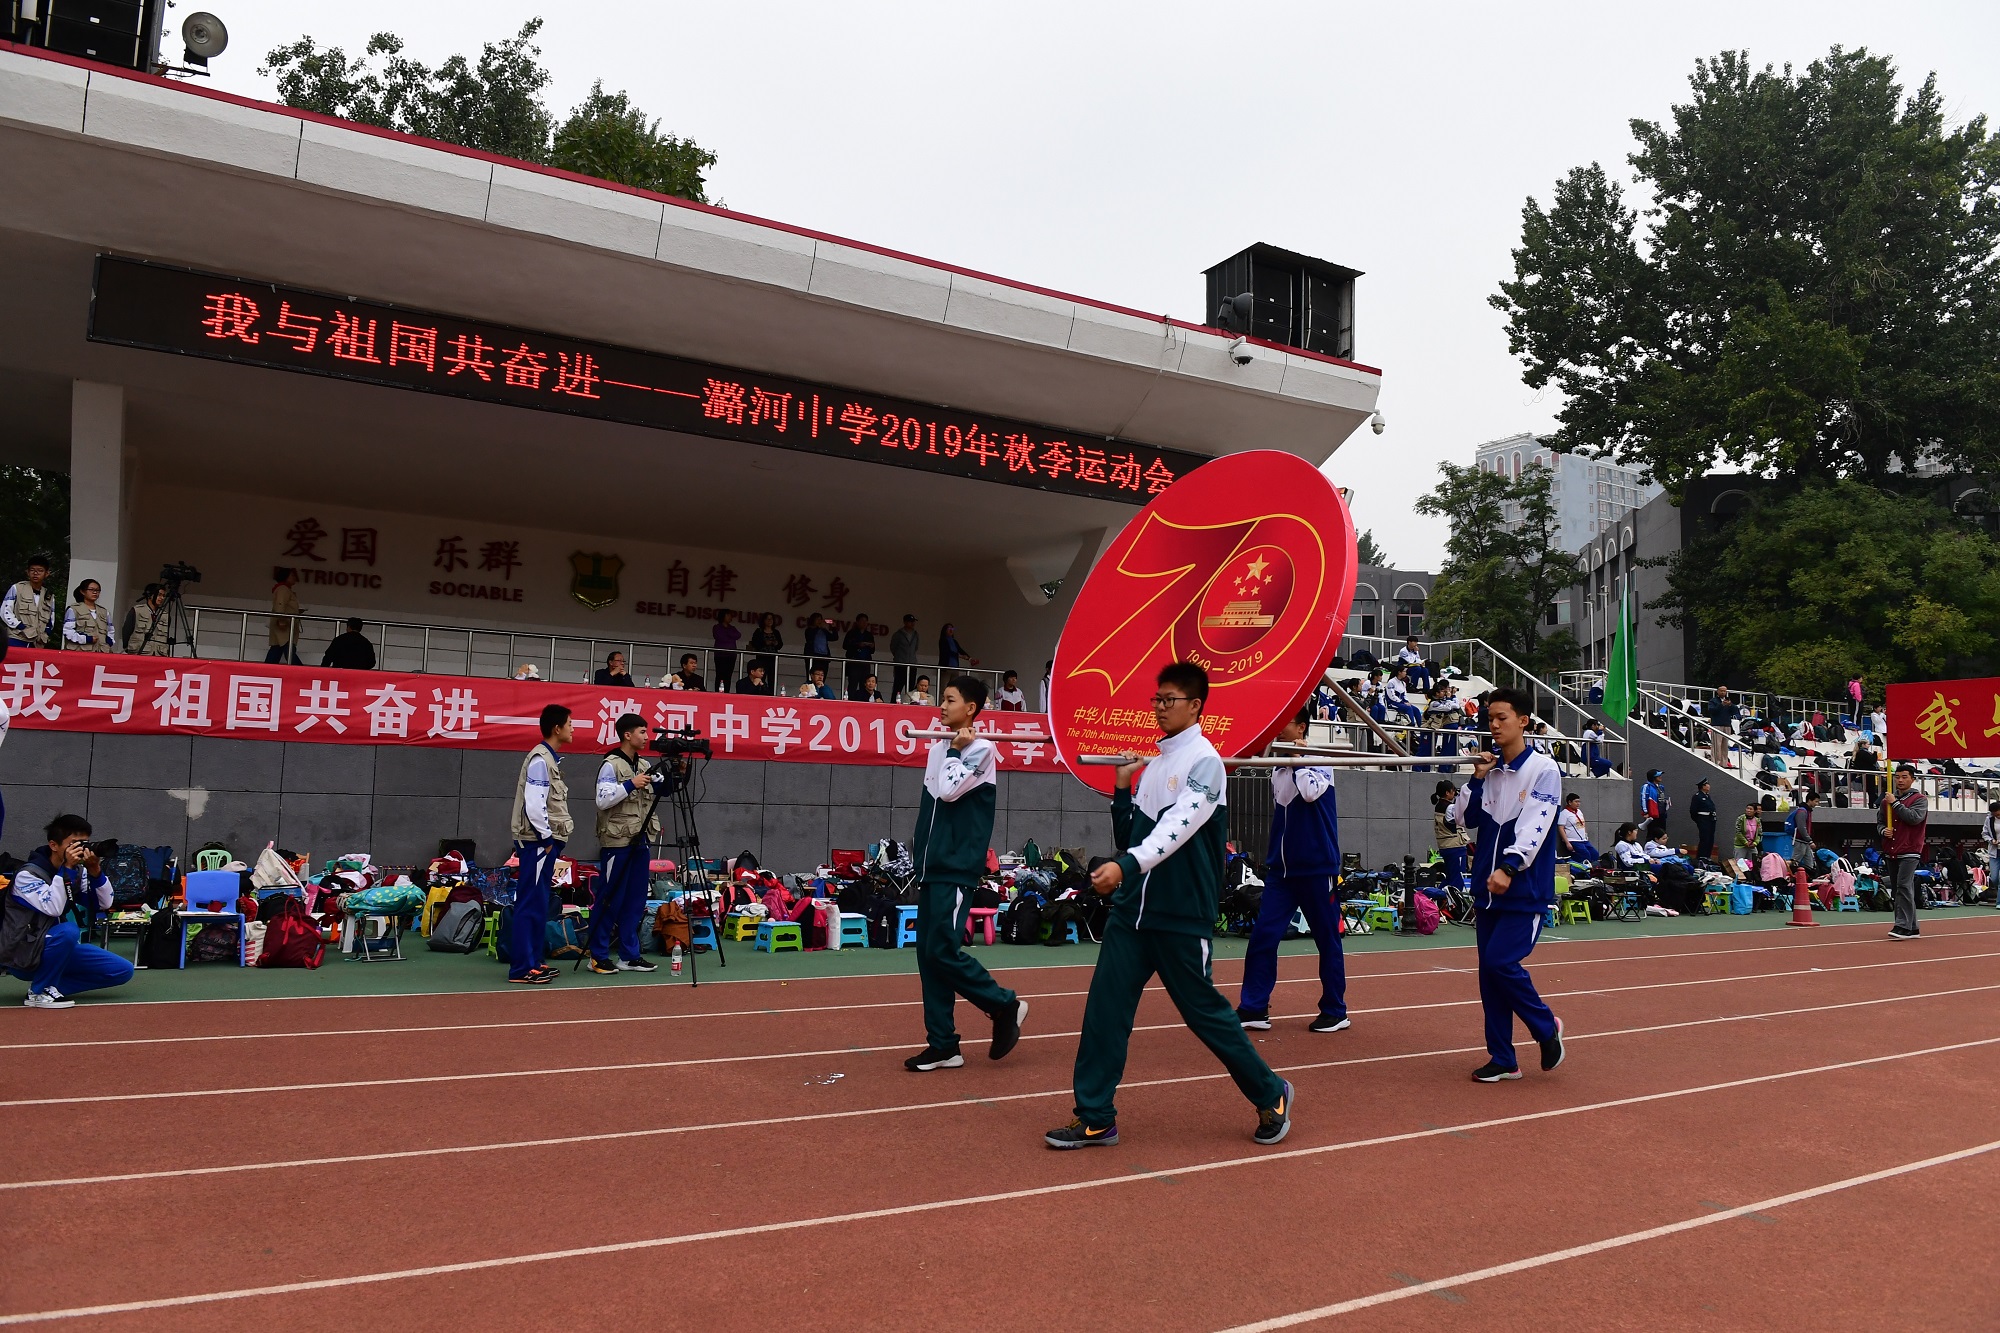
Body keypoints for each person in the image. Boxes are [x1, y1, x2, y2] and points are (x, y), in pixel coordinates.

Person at [1047, 662, 1292, 1150]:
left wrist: (1127, 864)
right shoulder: (1155, 765)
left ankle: (1271, 1093)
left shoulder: (1206, 763)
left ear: (1195, 705)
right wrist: (1122, 787)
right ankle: (1096, 1116)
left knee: (1206, 1015)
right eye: (1156, 700)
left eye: (1169, 700)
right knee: (1104, 1013)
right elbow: (1133, 838)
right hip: (1131, 916)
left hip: (1181, 917)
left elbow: (1174, 830)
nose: (1158, 708)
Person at [904, 676, 1026, 1072]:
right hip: (931, 865)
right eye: (942, 699)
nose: (941, 706)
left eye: (950, 700)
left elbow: (951, 791)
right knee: (928, 956)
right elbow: (933, 801)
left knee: (942, 950)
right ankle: (943, 1044)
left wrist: (957, 750)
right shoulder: (942, 747)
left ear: (971, 708)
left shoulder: (982, 749)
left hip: (956, 868)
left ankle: (1003, 1004)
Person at [1452, 687, 1566, 1083]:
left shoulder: (1544, 769)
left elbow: (1535, 824)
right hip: (1486, 889)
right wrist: (1477, 778)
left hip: (1522, 887)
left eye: (1502, 717)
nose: (1495, 725)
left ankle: (1545, 1027)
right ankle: (1503, 1057)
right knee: (1490, 975)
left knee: (1502, 962)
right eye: (1490, 719)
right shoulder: (1493, 770)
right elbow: (1464, 820)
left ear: (1524, 721)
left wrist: (1510, 867)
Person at [1236, 707, 1348, 1034]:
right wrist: (1286, 760)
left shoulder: (1321, 760)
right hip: (1281, 872)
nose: (1276, 728)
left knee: (1327, 940)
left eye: (1283, 722)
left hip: (1317, 869)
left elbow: (1311, 794)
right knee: (1263, 935)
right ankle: (1254, 1006)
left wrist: (1297, 757)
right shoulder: (1278, 767)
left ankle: (1335, 1009)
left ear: (1300, 727)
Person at [0, 814, 133, 1008]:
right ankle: (38, 993)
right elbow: (52, 908)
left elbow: (105, 903)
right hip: (22, 954)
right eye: (74, 844)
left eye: (84, 843)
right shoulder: (27, 875)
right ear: (54, 845)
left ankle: (49, 986)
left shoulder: (77, 871)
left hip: (56, 947)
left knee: (122, 970)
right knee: (68, 930)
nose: (80, 849)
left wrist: (95, 870)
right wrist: (67, 868)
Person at [589, 713, 677, 975]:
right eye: (642, 731)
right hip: (617, 842)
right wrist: (630, 784)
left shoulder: (645, 765)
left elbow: (664, 791)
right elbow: (602, 800)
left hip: (641, 840)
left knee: (636, 901)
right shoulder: (611, 765)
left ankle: (629, 955)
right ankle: (598, 956)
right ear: (627, 735)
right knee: (610, 899)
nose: (647, 737)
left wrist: (675, 773)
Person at [508, 704, 573, 984]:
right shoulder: (540, 759)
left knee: (539, 903)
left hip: (542, 844)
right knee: (530, 905)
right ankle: (522, 968)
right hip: (536, 844)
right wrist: (547, 840)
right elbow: (535, 805)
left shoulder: (549, 759)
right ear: (557, 728)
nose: (573, 728)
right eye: (570, 723)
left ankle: (534, 961)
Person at [1881, 764, 1930, 941]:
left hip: (1910, 849)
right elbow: (1880, 822)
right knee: (1898, 888)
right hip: (1891, 849)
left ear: (1912, 779)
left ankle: (1902, 925)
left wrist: (1895, 803)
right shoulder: (1886, 800)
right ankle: (1912, 926)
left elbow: (1914, 818)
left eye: (1904, 777)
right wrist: (1883, 831)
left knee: (1903, 885)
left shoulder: (1920, 799)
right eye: (1897, 777)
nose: (1900, 780)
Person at [1, 554, 55, 649]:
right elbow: (5, 612)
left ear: (47, 573)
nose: (35, 573)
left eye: (40, 571)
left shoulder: (49, 596)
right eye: (32, 570)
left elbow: (51, 619)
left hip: (38, 642)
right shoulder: (17, 588)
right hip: (17, 638)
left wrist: (46, 632)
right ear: (27, 572)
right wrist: (21, 627)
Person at [60, 579, 112, 652]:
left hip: (101, 652)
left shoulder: (104, 611)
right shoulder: (74, 609)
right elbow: (68, 631)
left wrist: (109, 641)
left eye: (97, 590)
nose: (95, 592)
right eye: (91, 589)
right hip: (80, 652)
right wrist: (86, 639)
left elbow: (110, 630)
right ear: (82, 591)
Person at [1434, 781, 1468, 888]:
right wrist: (1462, 798)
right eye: (1453, 791)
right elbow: (1464, 818)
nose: (1454, 793)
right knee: (1457, 880)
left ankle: (1434, 900)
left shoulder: (1439, 806)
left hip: (1445, 847)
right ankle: (1454, 904)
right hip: (1455, 847)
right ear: (1447, 793)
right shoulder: (1450, 808)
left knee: (1449, 879)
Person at [266, 567, 302, 664]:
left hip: (285, 624)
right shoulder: (283, 589)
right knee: (288, 650)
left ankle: (265, 671)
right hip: (284, 625)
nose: (294, 577)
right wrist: (281, 620)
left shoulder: (284, 589)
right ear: (285, 577)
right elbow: (280, 604)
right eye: (292, 575)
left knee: (277, 649)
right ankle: (304, 673)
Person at [123, 583, 170, 656]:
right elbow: (126, 631)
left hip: (159, 654)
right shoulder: (137, 611)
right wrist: (128, 648)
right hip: (139, 652)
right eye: (159, 595)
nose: (162, 598)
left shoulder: (165, 615)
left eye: (163, 595)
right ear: (150, 595)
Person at [1557, 793, 1598, 866]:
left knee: (1594, 853)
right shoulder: (1564, 813)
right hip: (1573, 840)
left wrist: (1585, 835)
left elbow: (1583, 823)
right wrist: (1567, 842)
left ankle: (1593, 869)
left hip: (1583, 839)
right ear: (1570, 802)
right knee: (1585, 854)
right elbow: (1561, 828)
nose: (1578, 804)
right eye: (1576, 801)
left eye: (1579, 801)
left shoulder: (1579, 812)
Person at [841, 612, 876, 697]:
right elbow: (845, 645)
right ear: (857, 622)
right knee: (853, 683)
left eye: (866, 621)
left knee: (864, 684)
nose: (864, 623)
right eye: (862, 621)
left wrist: (870, 646)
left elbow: (873, 651)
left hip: (865, 663)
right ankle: (850, 701)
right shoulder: (851, 633)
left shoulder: (869, 635)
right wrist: (857, 644)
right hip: (854, 662)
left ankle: (863, 701)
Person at [1703, 687, 1740, 767]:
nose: (1723, 692)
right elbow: (1711, 711)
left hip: (1727, 725)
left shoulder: (1728, 701)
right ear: (1718, 691)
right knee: (1717, 744)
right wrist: (1721, 705)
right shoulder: (1713, 701)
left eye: (1724, 691)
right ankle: (1716, 762)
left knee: (1725, 745)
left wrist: (1730, 705)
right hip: (1717, 724)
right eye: (1721, 691)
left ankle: (1724, 763)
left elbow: (1735, 711)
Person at [889, 614, 921, 700]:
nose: (912, 623)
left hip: (912, 664)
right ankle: (893, 704)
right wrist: (900, 657)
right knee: (898, 686)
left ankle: (910, 704)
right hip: (900, 664)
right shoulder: (898, 634)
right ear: (905, 622)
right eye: (910, 622)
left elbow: (916, 647)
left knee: (911, 687)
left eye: (913, 622)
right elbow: (893, 647)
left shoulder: (915, 634)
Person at [749, 612, 783, 685]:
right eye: (767, 619)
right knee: (761, 677)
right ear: (763, 620)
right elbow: (754, 643)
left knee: (772, 678)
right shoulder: (759, 631)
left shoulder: (776, 632)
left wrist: (776, 644)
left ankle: (771, 694)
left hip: (772, 658)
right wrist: (764, 643)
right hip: (762, 658)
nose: (769, 621)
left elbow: (780, 645)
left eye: (771, 619)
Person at [711, 612, 740, 693]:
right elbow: (720, 637)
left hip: (731, 655)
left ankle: (727, 692)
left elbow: (738, 635)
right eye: (728, 615)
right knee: (720, 675)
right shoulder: (717, 627)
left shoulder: (732, 627)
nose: (730, 617)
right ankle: (718, 691)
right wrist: (729, 635)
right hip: (720, 655)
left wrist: (728, 633)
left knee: (728, 676)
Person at [1691, 779, 1719, 860]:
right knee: (1705, 839)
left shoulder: (1707, 796)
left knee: (1710, 839)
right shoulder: (1697, 796)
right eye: (1707, 784)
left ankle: (1707, 857)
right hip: (1703, 820)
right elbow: (1693, 811)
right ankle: (1701, 857)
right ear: (1703, 786)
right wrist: (1699, 820)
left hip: (1711, 819)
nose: (1709, 786)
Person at [1640, 769, 1670, 838]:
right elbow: (1643, 798)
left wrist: (1666, 802)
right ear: (1653, 777)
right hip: (1652, 814)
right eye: (1658, 775)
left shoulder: (1661, 787)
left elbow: (1661, 798)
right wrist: (1645, 812)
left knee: (1662, 834)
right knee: (1652, 834)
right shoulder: (1646, 786)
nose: (1660, 776)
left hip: (1662, 814)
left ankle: (1661, 848)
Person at [1981, 801, 2000, 907]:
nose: (1997, 816)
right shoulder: (1989, 819)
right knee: (1994, 877)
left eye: (1998, 814)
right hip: (1994, 851)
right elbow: (1984, 833)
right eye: (1994, 814)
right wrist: (1991, 840)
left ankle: (1999, 902)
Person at [804, 613, 833, 680]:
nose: (819, 621)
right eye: (817, 619)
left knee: (822, 678)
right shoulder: (809, 630)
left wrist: (833, 628)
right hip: (813, 656)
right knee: (812, 677)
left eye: (820, 619)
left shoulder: (823, 630)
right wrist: (818, 627)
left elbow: (834, 637)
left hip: (824, 656)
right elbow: (809, 637)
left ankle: (820, 689)